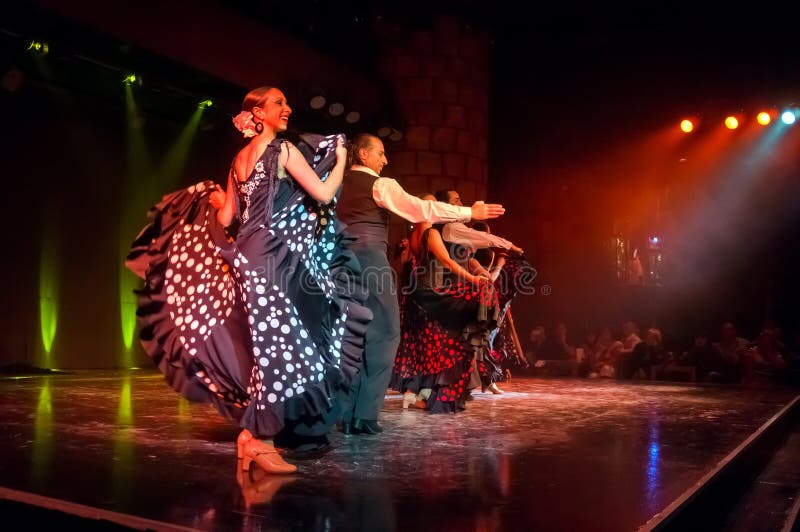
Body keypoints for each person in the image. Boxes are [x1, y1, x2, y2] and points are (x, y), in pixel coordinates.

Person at [126, 86, 372, 473]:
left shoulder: (238, 159)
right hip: (271, 257)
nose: (287, 108)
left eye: (287, 102)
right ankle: (262, 440)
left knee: (266, 346)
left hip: (248, 254)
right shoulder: (283, 150)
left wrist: (218, 201)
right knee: (279, 350)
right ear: (257, 112)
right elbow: (324, 194)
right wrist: (340, 159)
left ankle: (251, 437)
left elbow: (226, 221)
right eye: (278, 103)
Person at [335, 133, 505, 434]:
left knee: (349, 338)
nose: (385, 160)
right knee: (385, 335)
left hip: (337, 263)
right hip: (371, 262)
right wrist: (470, 212)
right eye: (381, 153)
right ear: (363, 155)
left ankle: (343, 412)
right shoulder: (380, 184)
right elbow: (421, 209)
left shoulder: (335, 183)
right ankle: (363, 415)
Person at [393, 193, 497, 413]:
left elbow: (406, 263)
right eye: (432, 204)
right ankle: (434, 395)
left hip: (415, 296)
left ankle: (420, 394)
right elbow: (447, 262)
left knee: (426, 349)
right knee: (446, 345)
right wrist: (473, 279)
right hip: (430, 296)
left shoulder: (413, 233)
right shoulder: (430, 232)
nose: (436, 206)